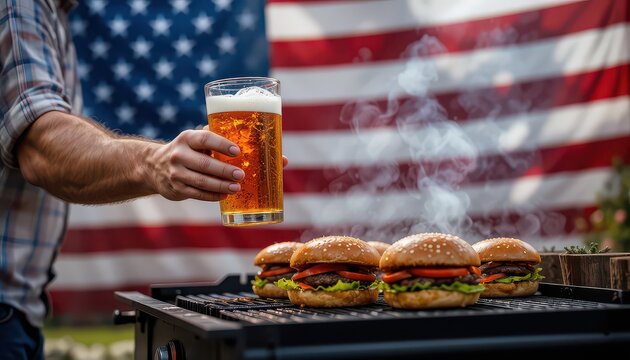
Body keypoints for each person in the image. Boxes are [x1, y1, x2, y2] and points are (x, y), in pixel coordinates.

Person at [0, 1, 286, 358]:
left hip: (21, 312)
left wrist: (186, 160)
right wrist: (155, 163)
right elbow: (39, 147)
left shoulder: (55, 13)